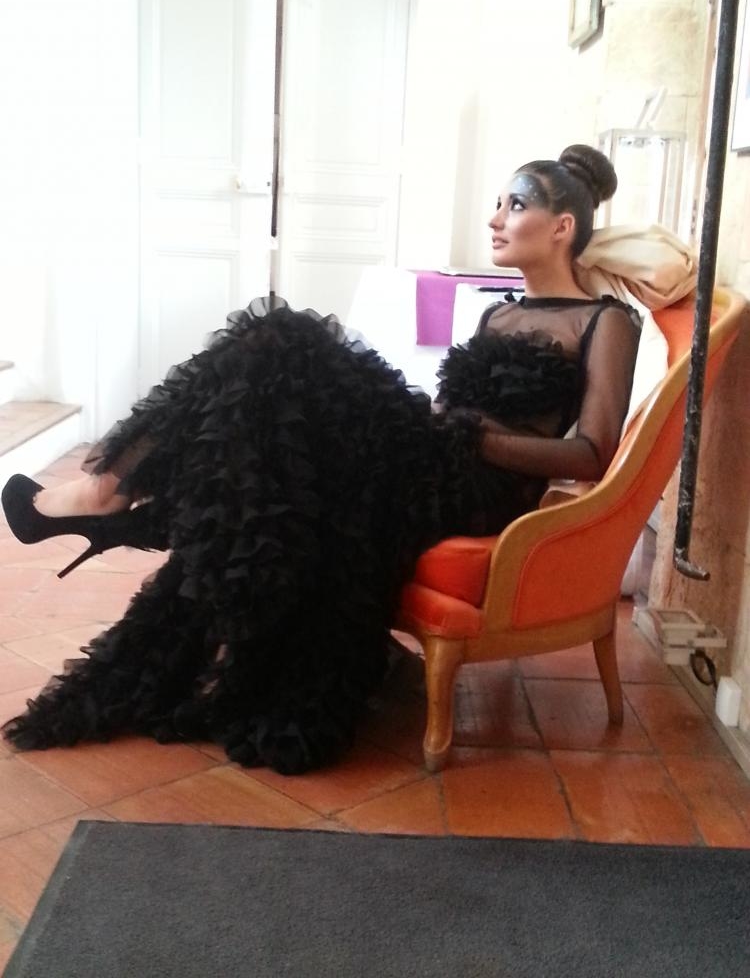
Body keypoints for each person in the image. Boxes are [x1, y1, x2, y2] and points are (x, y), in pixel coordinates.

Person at [1, 144, 641, 774]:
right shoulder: (498, 314)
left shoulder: (604, 322)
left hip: (479, 486)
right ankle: (121, 499)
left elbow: (591, 454)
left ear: (562, 227)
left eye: (515, 206)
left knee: (279, 338)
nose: (496, 219)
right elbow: (448, 407)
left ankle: (115, 498)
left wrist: (472, 440)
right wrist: (436, 424)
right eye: (498, 205)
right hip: (431, 453)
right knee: (271, 398)